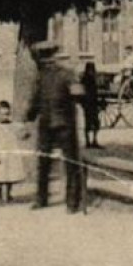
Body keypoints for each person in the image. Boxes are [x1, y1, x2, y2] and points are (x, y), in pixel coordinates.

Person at [28, 43, 84, 213]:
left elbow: (34, 101)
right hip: (65, 124)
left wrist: (28, 118)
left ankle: (42, 199)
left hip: (47, 124)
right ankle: (72, 203)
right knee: (71, 162)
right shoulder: (68, 74)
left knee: (43, 162)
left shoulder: (40, 76)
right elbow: (79, 95)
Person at [0, 100, 28, 205]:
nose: (5, 117)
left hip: (11, 153)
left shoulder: (13, 125)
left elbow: (22, 132)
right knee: (0, 177)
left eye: (7, 114)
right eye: (2, 114)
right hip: (0, 154)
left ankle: (8, 194)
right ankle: (0, 197)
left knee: (10, 175)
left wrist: (25, 134)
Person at [80, 61, 102, 149]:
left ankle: (93, 140)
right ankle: (89, 141)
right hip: (88, 104)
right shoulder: (87, 79)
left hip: (92, 104)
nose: (91, 72)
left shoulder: (88, 79)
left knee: (95, 123)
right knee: (89, 123)